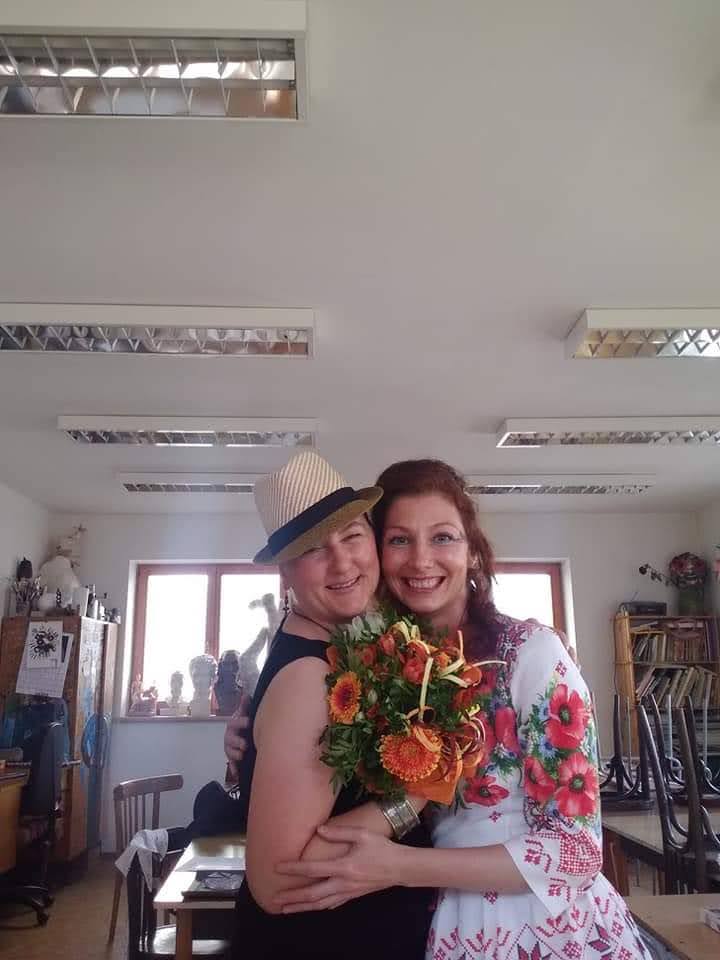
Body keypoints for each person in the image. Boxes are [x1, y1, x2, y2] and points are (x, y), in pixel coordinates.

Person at [254, 459, 651, 960]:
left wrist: (400, 866)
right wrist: (254, 729)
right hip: (441, 924)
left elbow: (577, 851)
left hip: (541, 924)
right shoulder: (383, 662)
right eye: (400, 540)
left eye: (443, 537)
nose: (421, 560)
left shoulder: (530, 654)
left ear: (473, 551)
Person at [231, 450, 434, 959]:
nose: (343, 563)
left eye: (352, 536)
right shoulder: (309, 678)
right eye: (314, 549)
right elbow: (277, 885)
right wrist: (416, 795)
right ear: (285, 572)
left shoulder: (343, 643)